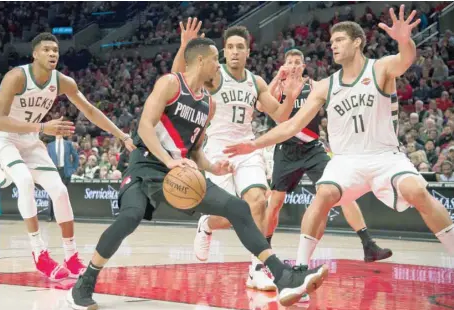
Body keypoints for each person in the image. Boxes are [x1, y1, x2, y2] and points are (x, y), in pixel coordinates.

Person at [67, 37, 328, 310]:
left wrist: (213, 167)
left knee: (239, 208)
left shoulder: (208, 104)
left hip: (181, 170)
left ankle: (283, 276)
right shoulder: (170, 84)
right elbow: (144, 126)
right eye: (216, 59)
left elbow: (194, 151)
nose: (220, 64)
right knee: (130, 218)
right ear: (201, 60)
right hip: (147, 165)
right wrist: (169, 161)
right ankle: (85, 282)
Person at [224, 7, 454, 264]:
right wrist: (253, 144)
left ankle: (377, 244)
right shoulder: (325, 85)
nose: (332, 45)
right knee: (317, 195)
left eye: (339, 40)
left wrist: (404, 40)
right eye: (331, 41)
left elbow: (406, 58)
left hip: (384, 155)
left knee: (418, 192)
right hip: (341, 159)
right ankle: (298, 268)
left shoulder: (380, 68)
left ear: (357, 42)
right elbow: (288, 125)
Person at [0, 32, 136, 281]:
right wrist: (42, 128)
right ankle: (39, 253)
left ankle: (71, 255)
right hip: (2, 136)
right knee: (23, 181)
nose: (52, 53)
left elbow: (89, 110)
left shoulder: (63, 82)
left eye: (55, 50)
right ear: (34, 54)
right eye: (46, 49)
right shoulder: (16, 77)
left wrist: (121, 135)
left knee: (60, 191)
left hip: (29, 138)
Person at [172, 18, 302, 291]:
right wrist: (185, 46)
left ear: (247, 52)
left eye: (239, 47)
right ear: (223, 50)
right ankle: (206, 224)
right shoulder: (213, 75)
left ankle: (256, 268)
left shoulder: (255, 82)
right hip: (217, 150)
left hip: (246, 149)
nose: (234, 51)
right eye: (229, 46)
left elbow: (279, 116)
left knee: (258, 201)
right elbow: (178, 79)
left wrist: (289, 97)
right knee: (232, 214)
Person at [266, 48, 392, 263]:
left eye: (298, 62)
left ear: (304, 66)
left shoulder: (315, 86)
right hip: (285, 149)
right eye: (290, 62)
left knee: (341, 189)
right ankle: (264, 247)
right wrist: (279, 76)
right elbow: (264, 103)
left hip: (312, 147)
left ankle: (368, 244)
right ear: (284, 64)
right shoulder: (279, 86)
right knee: (275, 201)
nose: (294, 65)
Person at [46, 133, 79, 221]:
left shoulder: (68, 144)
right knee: (52, 193)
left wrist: (73, 169)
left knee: (64, 194)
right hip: (54, 171)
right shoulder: (50, 145)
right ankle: (50, 215)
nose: (58, 133)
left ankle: (64, 216)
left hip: (65, 171)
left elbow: (76, 157)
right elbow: (47, 159)